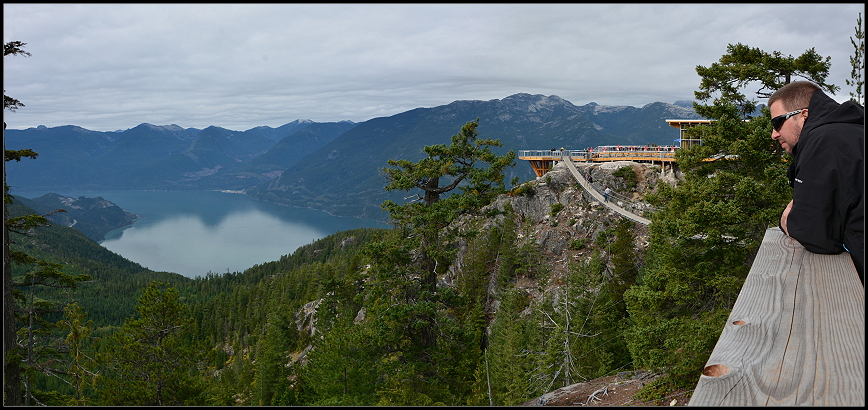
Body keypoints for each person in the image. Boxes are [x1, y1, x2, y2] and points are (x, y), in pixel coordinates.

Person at [769, 81, 864, 283]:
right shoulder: (852, 131)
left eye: (777, 123)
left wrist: (786, 219)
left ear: (803, 115)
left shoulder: (823, 141)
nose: (774, 134)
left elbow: (814, 234)